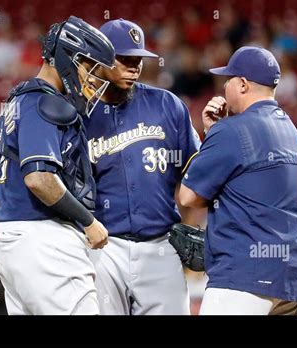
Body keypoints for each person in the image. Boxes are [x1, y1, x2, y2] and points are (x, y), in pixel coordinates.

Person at [0, 16, 115, 315]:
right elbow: (39, 178)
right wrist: (88, 221)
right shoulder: (44, 103)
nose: (93, 79)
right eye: (90, 67)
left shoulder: (19, 99)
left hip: (14, 236)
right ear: (69, 57)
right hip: (42, 240)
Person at [179, 46, 297, 315]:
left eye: (227, 80)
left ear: (242, 84)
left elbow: (189, 196)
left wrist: (211, 134)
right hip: (292, 278)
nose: (224, 86)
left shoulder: (231, 130)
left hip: (243, 276)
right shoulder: (291, 130)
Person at [83, 19, 202, 315]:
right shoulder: (81, 114)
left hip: (161, 245)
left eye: (137, 59)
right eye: (124, 59)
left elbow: (197, 170)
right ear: (101, 58)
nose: (134, 66)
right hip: (104, 248)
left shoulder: (167, 105)